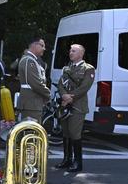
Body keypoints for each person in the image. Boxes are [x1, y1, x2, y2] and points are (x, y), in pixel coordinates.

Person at [53, 44, 95, 172]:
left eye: (74, 51)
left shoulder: (88, 68)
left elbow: (85, 86)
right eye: (70, 50)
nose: (70, 53)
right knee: (66, 132)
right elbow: (61, 84)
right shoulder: (66, 68)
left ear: (81, 54)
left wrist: (71, 97)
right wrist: (63, 95)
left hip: (77, 106)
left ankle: (78, 162)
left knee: (74, 133)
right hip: (66, 104)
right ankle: (67, 160)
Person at [17, 37, 51, 122]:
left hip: (32, 103)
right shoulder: (29, 61)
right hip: (31, 104)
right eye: (42, 45)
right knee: (31, 132)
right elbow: (36, 84)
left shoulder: (31, 60)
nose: (44, 48)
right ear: (35, 45)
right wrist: (48, 95)